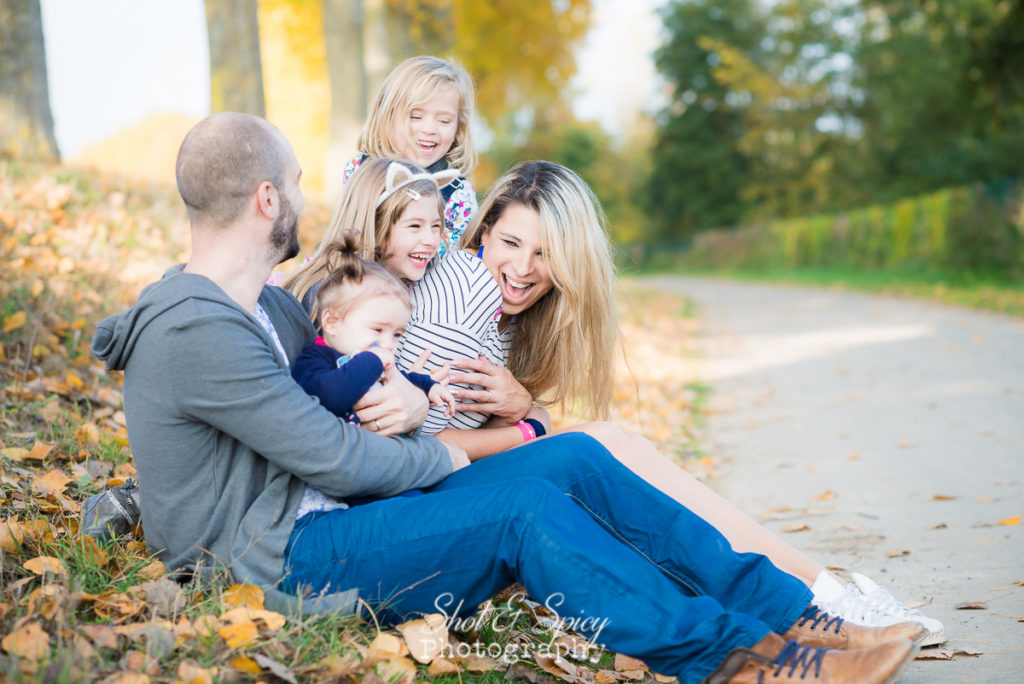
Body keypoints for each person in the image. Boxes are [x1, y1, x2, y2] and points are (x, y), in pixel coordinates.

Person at [93, 113, 922, 684]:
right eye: (299, 183)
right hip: (281, 557)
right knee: (521, 509)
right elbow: (340, 461)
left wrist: (464, 422)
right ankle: (743, 664)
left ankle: (796, 617)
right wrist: (441, 434)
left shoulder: (266, 304)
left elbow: (336, 383)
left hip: (326, 518)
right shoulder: (196, 328)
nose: (311, 198)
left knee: (573, 456)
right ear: (267, 200)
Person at [340, 159, 944, 645]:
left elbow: (520, 422)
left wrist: (525, 407)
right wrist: (523, 427)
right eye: (510, 242)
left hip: (462, 481)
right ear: (483, 232)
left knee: (617, 443)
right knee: (599, 444)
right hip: (411, 503)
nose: (521, 269)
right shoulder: (423, 299)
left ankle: (820, 591)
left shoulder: (514, 321)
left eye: (546, 253)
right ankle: (816, 597)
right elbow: (409, 441)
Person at [291, 234, 456, 428]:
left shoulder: (371, 359)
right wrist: (372, 360)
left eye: (396, 335)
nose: (388, 344)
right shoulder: (316, 359)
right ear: (331, 322)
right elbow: (327, 396)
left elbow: (403, 379)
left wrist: (428, 386)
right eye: (377, 329)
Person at [343, 55, 478, 251]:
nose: (429, 129)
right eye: (416, 116)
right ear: (386, 115)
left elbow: (446, 264)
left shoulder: (458, 196)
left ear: (459, 128)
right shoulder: (358, 168)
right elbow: (344, 236)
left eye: (444, 121)